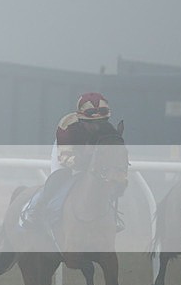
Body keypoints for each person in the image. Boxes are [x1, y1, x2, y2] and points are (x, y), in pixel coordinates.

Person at [21, 92, 119, 229]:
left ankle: (113, 217)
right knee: (59, 177)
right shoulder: (67, 126)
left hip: (89, 159)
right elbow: (66, 158)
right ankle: (35, 210)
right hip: (66, 154)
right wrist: (87, 160)